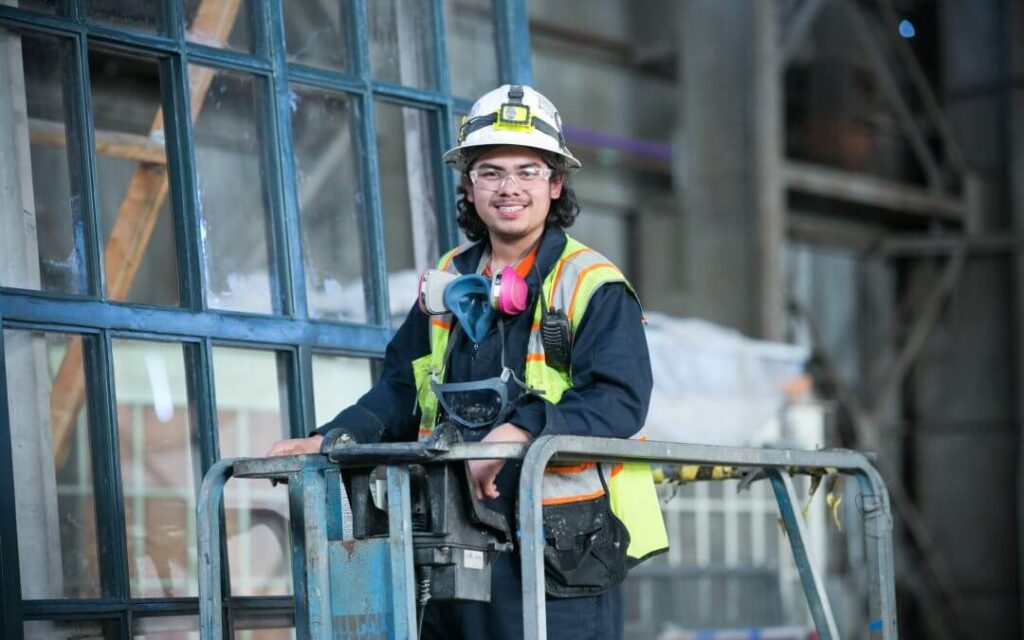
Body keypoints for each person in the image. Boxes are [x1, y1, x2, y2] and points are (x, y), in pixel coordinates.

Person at [267, 84, 666, 640]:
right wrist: (337, 438)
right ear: (469, 185)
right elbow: (404, 388)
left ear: (555, 186)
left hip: (557, 554)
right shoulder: (449, 279)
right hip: (449, 544)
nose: (509, 188)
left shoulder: (590, 284)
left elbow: (619, 400)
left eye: (527, 172)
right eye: (491, 172)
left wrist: (518, 433)